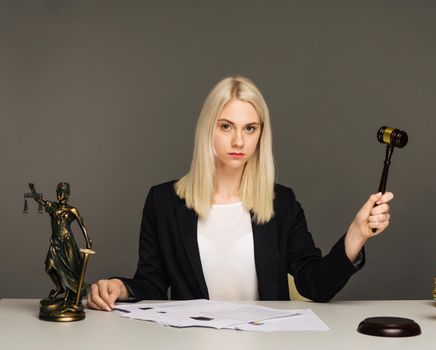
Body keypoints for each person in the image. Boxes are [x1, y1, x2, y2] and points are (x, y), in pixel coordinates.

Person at [87, 76, 393, 311]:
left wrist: (356, 234)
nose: (238, 140)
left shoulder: (281, 203)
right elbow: (152, 283)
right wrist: (120, 287)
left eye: (250, 129)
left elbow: (315, 285)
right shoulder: (164, 202)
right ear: (208, 128)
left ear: (261, 134)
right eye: (226, 126)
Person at [30, 182, 92, 304]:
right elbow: (40, 200)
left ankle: (69, 296)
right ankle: (60, 288)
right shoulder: (52, 206)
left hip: (67, 243)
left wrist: (88, 241)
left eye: (61, 192)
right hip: (55, 243)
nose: (59, 194)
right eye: (57, 192)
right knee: (49, 267)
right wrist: (33, 191)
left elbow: (82, 225)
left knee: (70, 271)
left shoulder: (72, 210)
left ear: (67, 194)